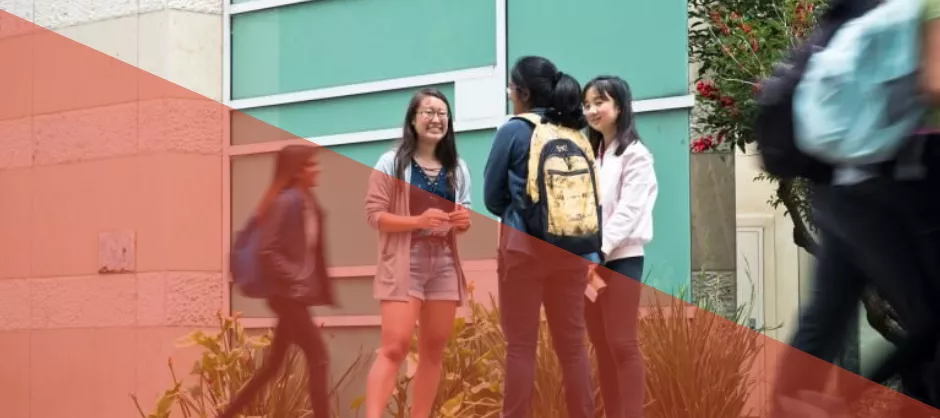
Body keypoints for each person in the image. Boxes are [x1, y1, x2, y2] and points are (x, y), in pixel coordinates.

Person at [483, 55, 597, 418]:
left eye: (511, 88)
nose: (509, 94)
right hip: (570, 250)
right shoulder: (573, 133)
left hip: (523, 252)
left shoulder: (513, 131)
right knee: (573, 348)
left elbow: (491, 197)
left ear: (524, 93)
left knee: (520, 347)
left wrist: (521, 210)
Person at [362, 88, 473, 418]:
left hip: (444, 263)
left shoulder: (457, 168)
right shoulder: (392, 163)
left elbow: (463, 213)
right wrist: (418, 221)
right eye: (428, 112)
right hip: (405, 260)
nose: (436, 119)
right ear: (413, 120)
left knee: (434, 350)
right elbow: (374, 215)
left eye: (442, 114)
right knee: (395, 347)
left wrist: (462, 222)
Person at [219, 144, 336, 418]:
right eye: (311, 165)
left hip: (294, 295)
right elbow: (266, 250)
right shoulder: (286, 202)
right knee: (319, 358)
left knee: (272, 367)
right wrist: (295, 277)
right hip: (286, 296)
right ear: (297, 171)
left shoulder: (306, 201)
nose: (317, 169)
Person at [582, 75, 657, 418]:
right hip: (588, 263)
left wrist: (599, 251)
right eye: (587, 104)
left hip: (622, 259)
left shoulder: (636, 155)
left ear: (620, 107)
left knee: (622, 344)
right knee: (601, 346)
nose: (591, 110)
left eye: (600, 102)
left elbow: (629, 210)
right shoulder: (591, 155)